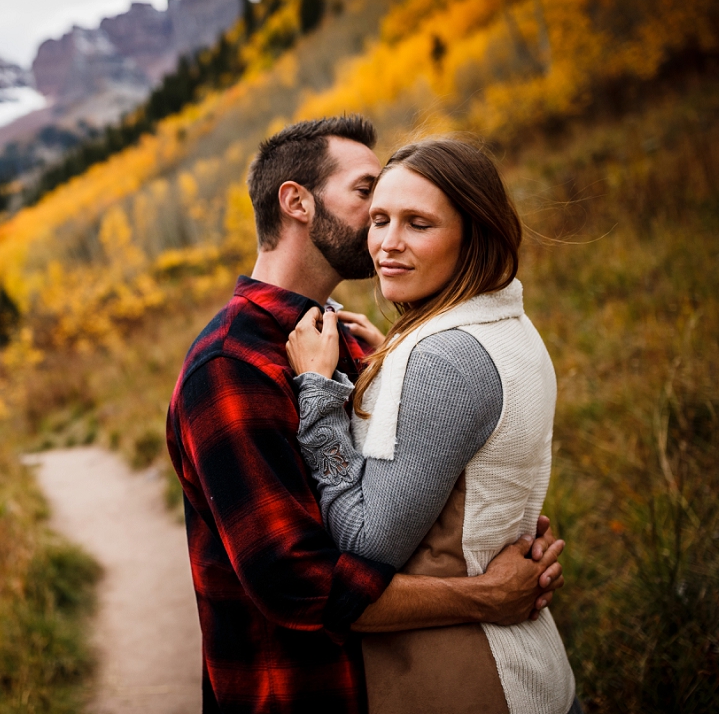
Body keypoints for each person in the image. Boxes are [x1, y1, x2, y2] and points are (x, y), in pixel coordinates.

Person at [165, 116, 568, 714]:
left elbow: (413, 492)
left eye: (409, 215)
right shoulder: (232, 364)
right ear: (297, 202)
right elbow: (297, 583)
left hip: (398, 685)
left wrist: (494, 525)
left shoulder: (347, 339)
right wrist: (481, 595)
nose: (383, 212)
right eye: (367, 196)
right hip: (302, 693)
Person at [285, 138, 579, 714]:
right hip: (528, 670)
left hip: (463, 680)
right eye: (379, 219)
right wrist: (391, 360)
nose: (386, 244)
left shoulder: (443, 360)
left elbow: (364, 543)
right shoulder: (510, 326)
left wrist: (319, 399)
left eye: (418, 224)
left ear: (475, 235)